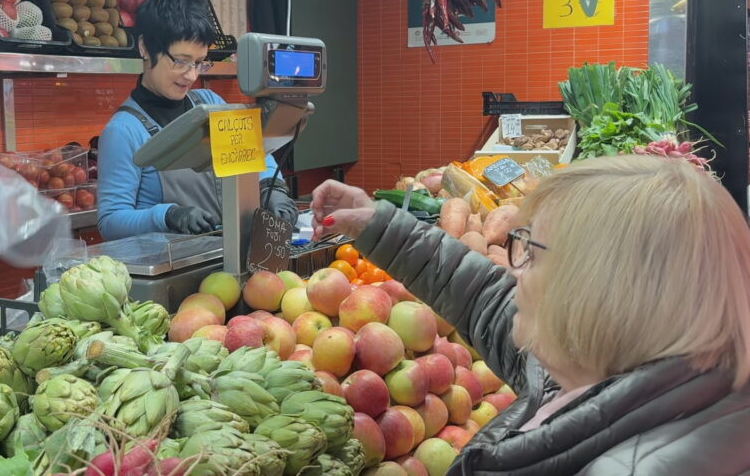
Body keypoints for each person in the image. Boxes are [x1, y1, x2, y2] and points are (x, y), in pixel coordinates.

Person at [311, 154, 750, 474]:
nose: (514, 269)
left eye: (531, 252)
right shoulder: (605, 367)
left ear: (599, 293)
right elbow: (484, 297)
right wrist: (375, 224)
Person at [97, 0, 298, 241]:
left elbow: (253, 154)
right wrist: (167, 216)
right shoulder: (123, 131)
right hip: (170, 262)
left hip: (223, 255)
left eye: (199, 62)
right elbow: (110, 221)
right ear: (145, 47)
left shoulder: (209, 103)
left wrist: (271, 186)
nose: (191, 75)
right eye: (180, 61)